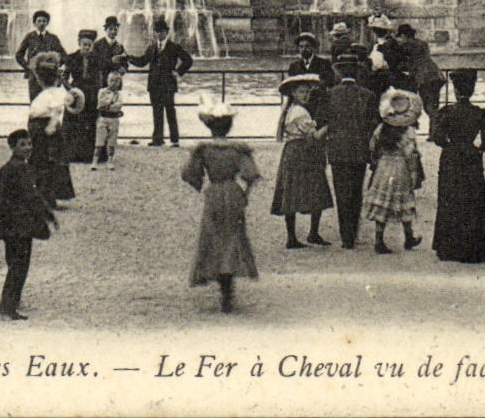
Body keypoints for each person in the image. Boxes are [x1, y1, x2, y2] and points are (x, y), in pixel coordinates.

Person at [182, 97, 260, 313]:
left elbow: (188, 174)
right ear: (229, 126)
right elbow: (251, 174)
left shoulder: (204, 149)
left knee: (213, 235)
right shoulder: (238, 149)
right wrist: (245, 194)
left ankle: (218, 276)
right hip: (233, 192)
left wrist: (200, 183)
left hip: (215, 192)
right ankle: (229, 281)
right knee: (234, 235)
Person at [429, 68, 485, 263]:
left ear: (455, 90)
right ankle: (474, 247)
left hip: (451, 157)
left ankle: (449, 247)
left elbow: (438, 138)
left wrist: (450, 146)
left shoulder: (446, 113)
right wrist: (476, 149)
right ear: (472, 89)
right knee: (473, 199)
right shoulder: (481, 114)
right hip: (471, 157)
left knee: (449, 198)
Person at [0, 129, 57, 321]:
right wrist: (48, 215)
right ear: (13, 147)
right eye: (23, 144)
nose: (28, 148)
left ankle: (12, 301)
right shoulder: (22, 169)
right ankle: (7, 307)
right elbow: (32, 197)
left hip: (6, 224)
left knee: (13, 262)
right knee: (20, 266)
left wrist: (8, 203)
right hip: (21, 226)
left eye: (29, 144)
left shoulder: (6, 168)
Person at [325, 50, 380, 249]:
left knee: (341, 191)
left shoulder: (330, 94)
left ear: (339, 72)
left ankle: (345, 236)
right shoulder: (367, 95)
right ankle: (353, 232)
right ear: (357, 72)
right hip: (359, 149)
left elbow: (325, 121)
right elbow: (373, 125)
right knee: (356, 191)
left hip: (338, 149)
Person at [271, 73, 333, 249]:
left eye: (307, 92)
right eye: (301, 92)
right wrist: (329, 126)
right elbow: (315, 135)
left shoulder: (291, 109)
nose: (305, 96)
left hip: (293, 151)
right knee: (315, 188)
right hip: (303, 152)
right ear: (294, 93)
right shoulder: (300, 112)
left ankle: (293, 237)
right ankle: (311, 233)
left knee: (291, 191)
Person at [364, 89, 424, 254]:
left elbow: (372, 146)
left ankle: (379, 239)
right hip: (400, 168)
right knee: (404, 201)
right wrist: (414, 174)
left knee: (383, 201)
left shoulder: (381, 128)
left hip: (384, 167)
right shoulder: (408, 132)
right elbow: (411, 155)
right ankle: (408, 236)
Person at [26, 54, 82, 205]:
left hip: (43, 129)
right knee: (46, 162)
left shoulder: (51, 94)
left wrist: (52, 123)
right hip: (40, 129)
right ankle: (45, 194)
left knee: (45, 162)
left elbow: (57, 110)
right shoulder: (53, 93)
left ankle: (46, 196)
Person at [131, 18, 192, 147]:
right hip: (154, 85)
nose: (159, 34)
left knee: (170, 111)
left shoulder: (173, 47)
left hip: (168, 85)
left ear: (167, 32)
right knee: (156, 112)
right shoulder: (152, 47)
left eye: (162, 31)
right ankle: (158, 139)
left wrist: (178, 72)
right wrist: (127, 58)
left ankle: (174, 140)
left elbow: (188, 60)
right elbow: (142, 61)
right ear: (154, 32)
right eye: (157, 31)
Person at [60, 30, 103, 165]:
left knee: (90, 123)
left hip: (91, 94)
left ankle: (88, 155)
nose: (86, 48)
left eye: (89, 45)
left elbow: (100, 78)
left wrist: (98, 91)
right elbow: (64, 77)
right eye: (84, 45)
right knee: (72, 123)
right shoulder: (72, 58)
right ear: (79, 44)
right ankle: (71, 154)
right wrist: (71, 90)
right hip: (76, 93)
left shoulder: (97, 58)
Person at [397, 23, 444, 130]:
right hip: (435, 74)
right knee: (433, 107)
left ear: (404, 35)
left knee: (429, 107)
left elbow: (406, 64)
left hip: (424, 78)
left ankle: (435, 130)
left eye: (400, 36)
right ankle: (435, 132)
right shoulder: (422, 44)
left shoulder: (406, 46)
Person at [14, 10, 65, 101]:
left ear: (47, 23)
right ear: (34, 23)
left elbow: (64, 55)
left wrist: (55, 65)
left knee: (49, 102)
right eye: (39, 21)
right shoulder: (30, 37)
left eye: (44, 21)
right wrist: (27, 66)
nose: (42, 23)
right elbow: (19, 55)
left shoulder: (53, 38)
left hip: (50, 76)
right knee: (35, 101)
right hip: (34, 76)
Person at [92, 68, 124, 171]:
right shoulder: (102, 91)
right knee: (99, 141)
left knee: (112, 142)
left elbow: (118, 106)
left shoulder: (119, 95)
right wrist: (110, 104)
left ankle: (110, 161)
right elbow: (100, 104)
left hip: (114, 119)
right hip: (103, 118)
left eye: (116, 81)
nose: (113, 83)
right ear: (107, 80)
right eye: (111, 80)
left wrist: (107, 105)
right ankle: (95, 162)